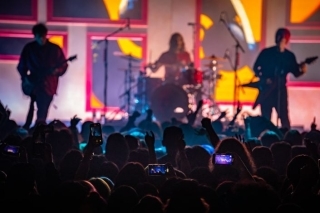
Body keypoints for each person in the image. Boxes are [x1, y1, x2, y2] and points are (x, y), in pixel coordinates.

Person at [252, 28, 307, 129]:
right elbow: (256, 67)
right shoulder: (266, 53)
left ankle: (287, 139)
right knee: (265, 117)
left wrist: (303, 70)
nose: (280, 40)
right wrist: (263, 78)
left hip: (280, 90)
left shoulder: (289, 56)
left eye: (282, 38)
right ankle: (265, 139)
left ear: (286, 40)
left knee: (283, 116)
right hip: (267, 90)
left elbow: (295, 72)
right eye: (278, 37)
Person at [17, 23, 68, 129]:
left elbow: (63, 65)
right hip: (33, 83)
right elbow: (22, 66)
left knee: (43, 108)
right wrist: (26, 79)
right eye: (38, 36)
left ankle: (38, 127)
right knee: (34, 107)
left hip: (48, 84)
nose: (41, 39)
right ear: (35, 36)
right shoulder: (29, 48)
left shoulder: (54, 49)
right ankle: (33, 127)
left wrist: (56, 71)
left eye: (43, 36)